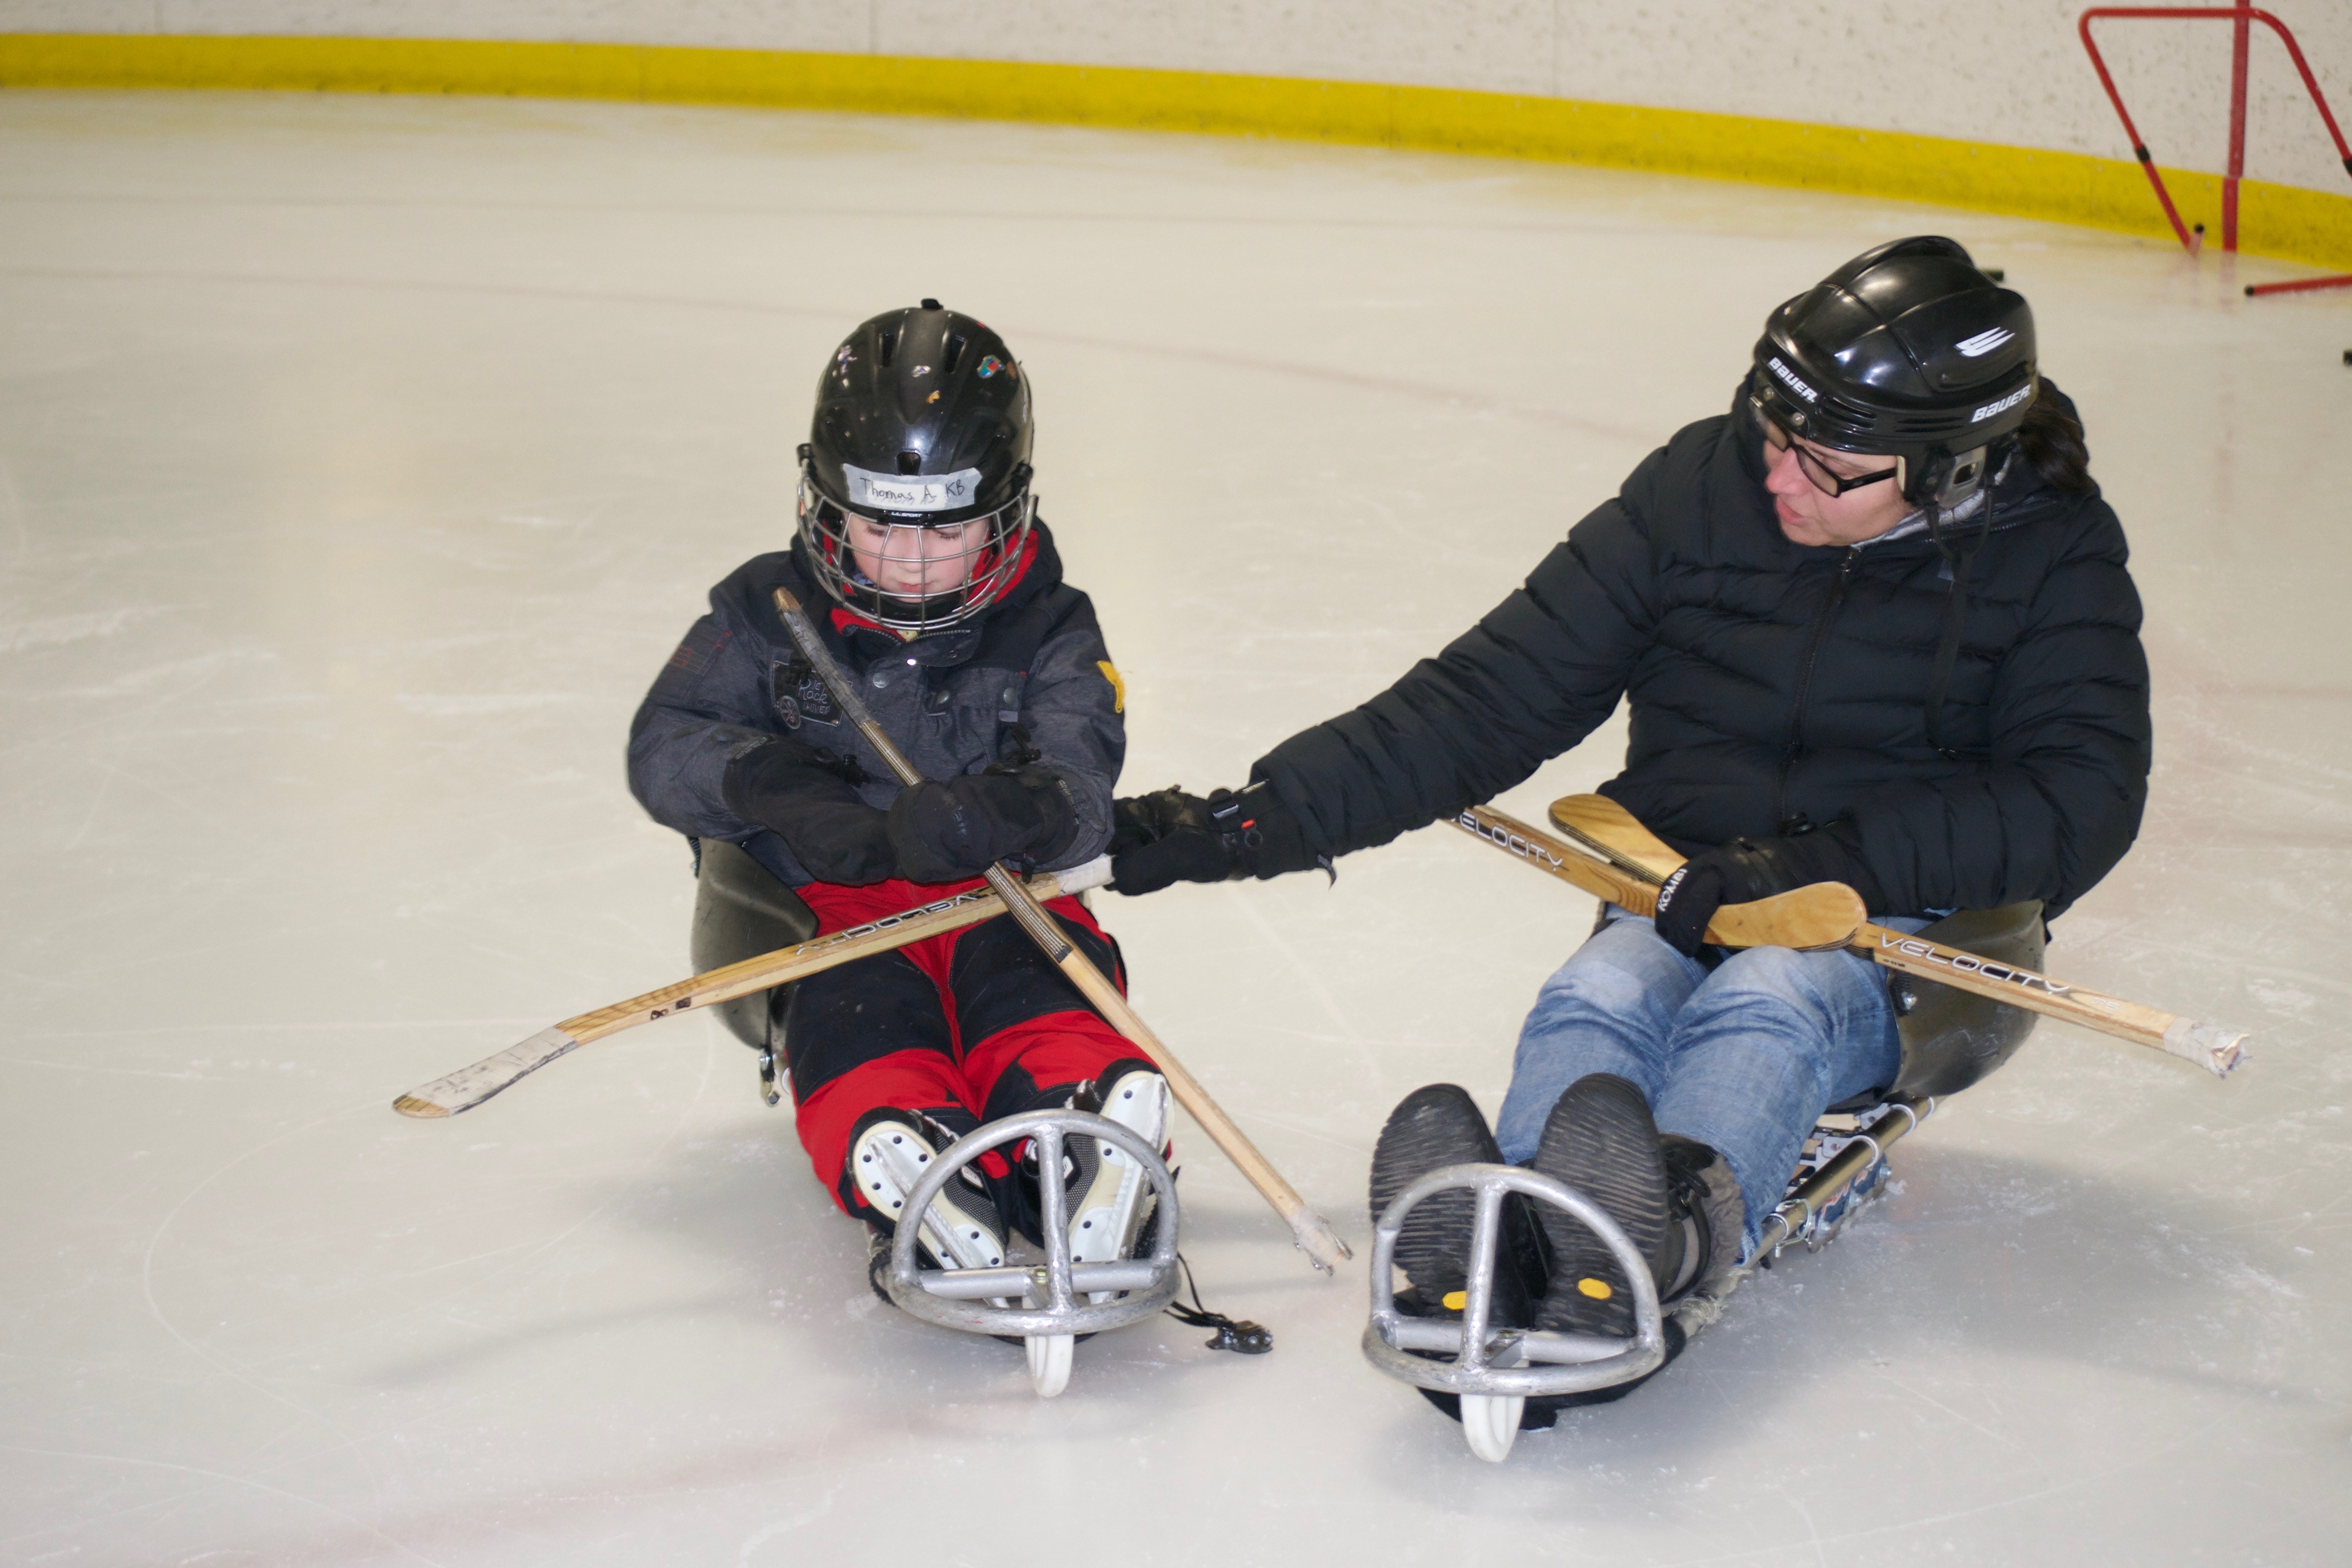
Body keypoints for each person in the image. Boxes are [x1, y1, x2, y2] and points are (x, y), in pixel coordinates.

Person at [1109, 237, 2150, 1420]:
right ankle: (1517, 1245)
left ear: (1951, 468)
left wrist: (1833, 865)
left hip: (1909, 935)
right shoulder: (1699, 490)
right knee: (1601, 993)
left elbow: (2083, 793)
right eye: (1770, 433)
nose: (1779, 481)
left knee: (1772, 1000)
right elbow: (1484, 699)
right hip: (1687, 886)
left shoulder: (2053, 551)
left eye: (1827, 466)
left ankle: (1651, 1254)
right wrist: (1245, 824)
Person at [627, 301, 1166, 1301]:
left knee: (1037, 990)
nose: (911, 562)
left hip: (1004, 891)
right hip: (829, 911)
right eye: (880, 526)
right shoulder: (764, 613)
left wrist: (1009, 814)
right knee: (858, 1019)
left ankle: (1086, 1129)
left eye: (947, 531)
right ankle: (911, 1158)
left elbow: (1083, 775)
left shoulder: (1049, 625)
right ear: (826, 505)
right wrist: (774, 786)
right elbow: (665, 744)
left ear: (1005, 510)